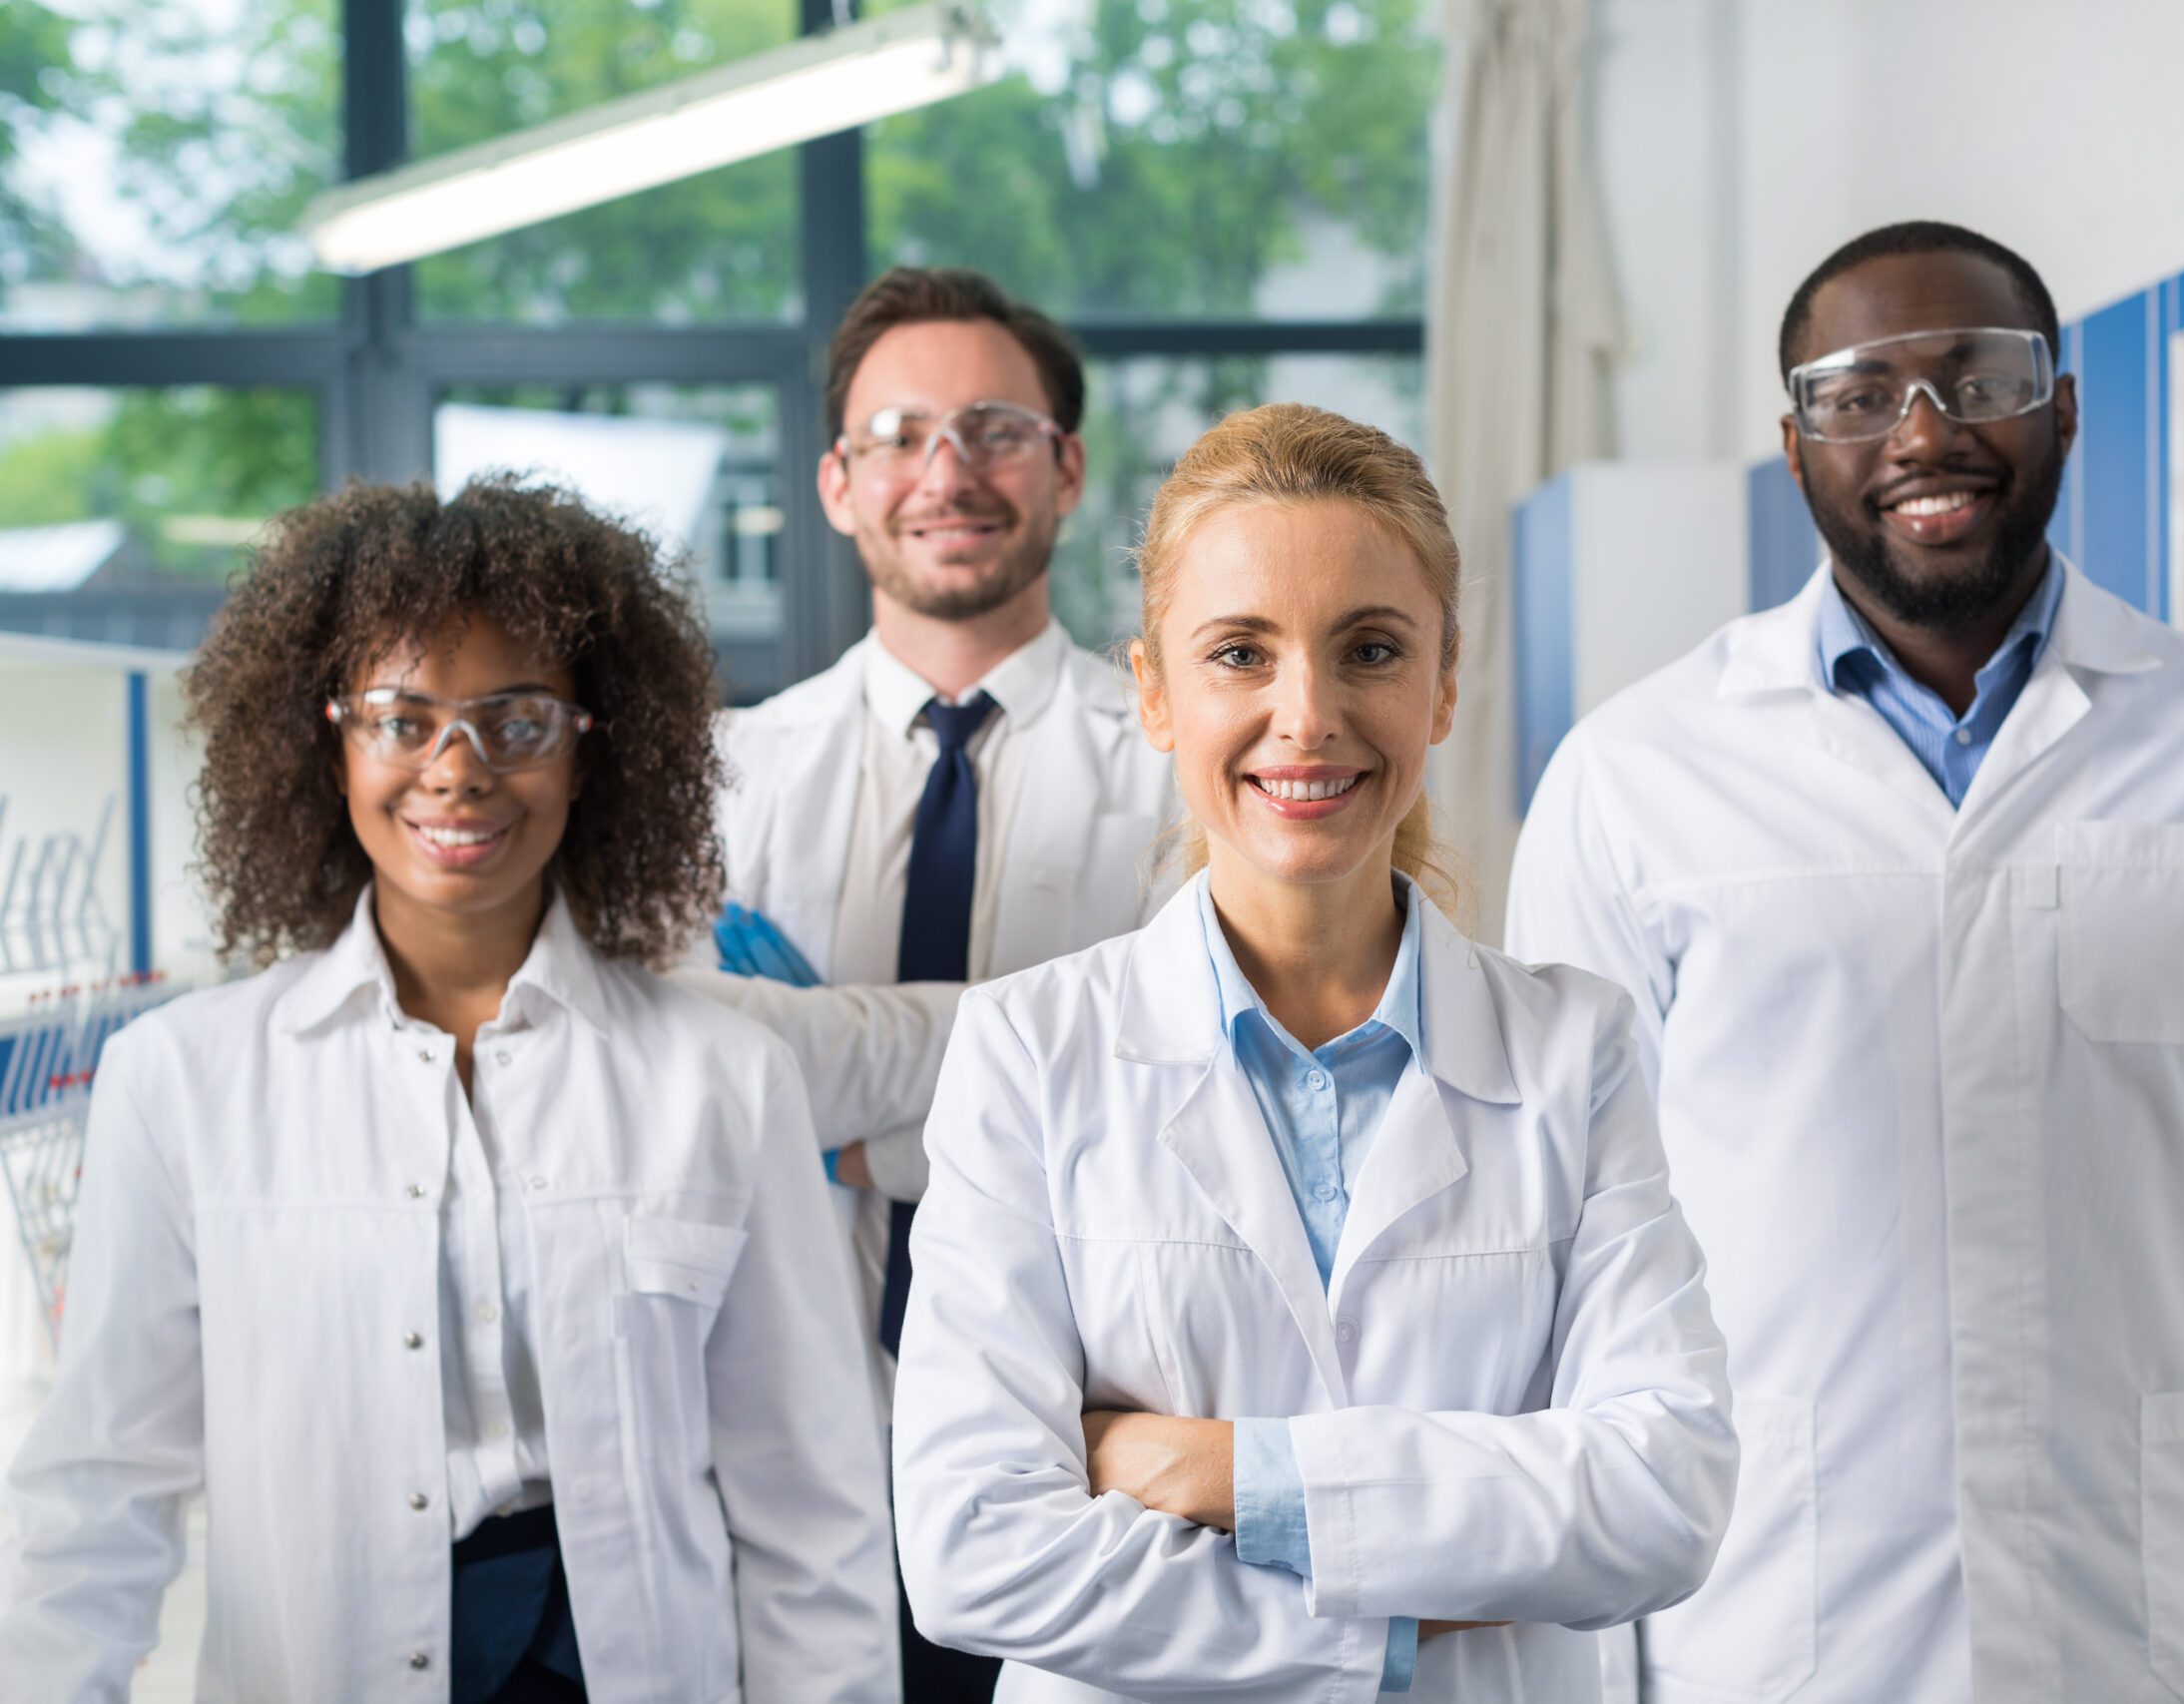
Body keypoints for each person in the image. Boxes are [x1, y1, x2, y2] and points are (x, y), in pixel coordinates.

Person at [1509, 221, 2184, 1701]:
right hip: (1764, 1638)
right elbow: (1564, 1301)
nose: (1923, 431)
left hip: (2145, 1637)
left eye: (1978, 377)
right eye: (1859, 393)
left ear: (2066, 404)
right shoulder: (1632, 780)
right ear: (1797, 442)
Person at [890, 402, 1740, 1702]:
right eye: (1240, 651)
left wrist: (1212, 1469)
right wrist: (1392, 1622)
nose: (1309, 714)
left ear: (1445, 680)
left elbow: (1661, 1493)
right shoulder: (1032, 1050)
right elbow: (973, 1550)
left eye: (1371, 648)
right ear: (1156, 693)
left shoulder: (1575, 1047)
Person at [0, 478, 899, 1702]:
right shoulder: (182, 1080)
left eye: (517, 719)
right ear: (327, 744)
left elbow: (812, 1509)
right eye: (400, 718)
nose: (456, 769)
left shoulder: (723, 1080)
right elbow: (99, 1490)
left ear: (593, 749)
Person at [714, 268, 1177, 1701]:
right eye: (902, 435)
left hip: (1098, 1445)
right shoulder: (718, 782)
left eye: (993, 428)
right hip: (789, 1444)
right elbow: (688, 1086)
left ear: (1068, 468)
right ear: (839, 483)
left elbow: (1168, 1098)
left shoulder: (1179, 765)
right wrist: (1054, 1048)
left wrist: (825, 1113)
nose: (948, 471)